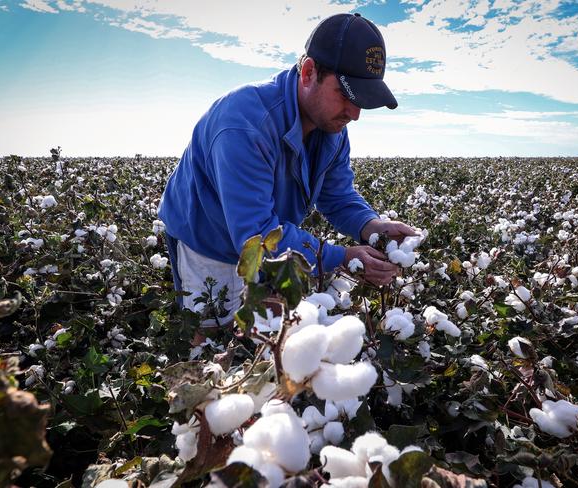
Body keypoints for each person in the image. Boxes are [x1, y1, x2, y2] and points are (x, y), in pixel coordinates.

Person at [158, 12, 417, 326]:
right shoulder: (244, 125)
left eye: (362, 100)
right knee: (212, 339)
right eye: (346, 95)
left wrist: (372, 227)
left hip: (268, 235)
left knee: (268, 335)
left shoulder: (332, 128)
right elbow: (256, 236)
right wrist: (341, 258)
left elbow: (337, 197)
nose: (355, 113)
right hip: (207, 242)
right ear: (309, 72)